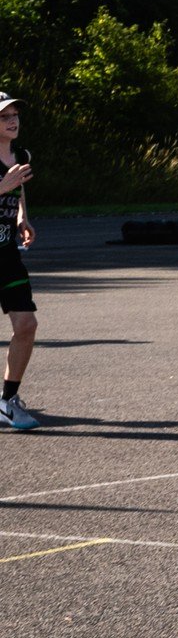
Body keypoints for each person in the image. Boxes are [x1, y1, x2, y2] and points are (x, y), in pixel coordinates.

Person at [0, 95, 37, 431]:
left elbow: (18, 190)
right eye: (4, 117)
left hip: (6, 253)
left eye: (14, 115)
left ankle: (8, 400)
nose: (12, 121)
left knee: (26, 325)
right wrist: (2, 186)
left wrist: (22, 218)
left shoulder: (21, 156)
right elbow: (8, 186)